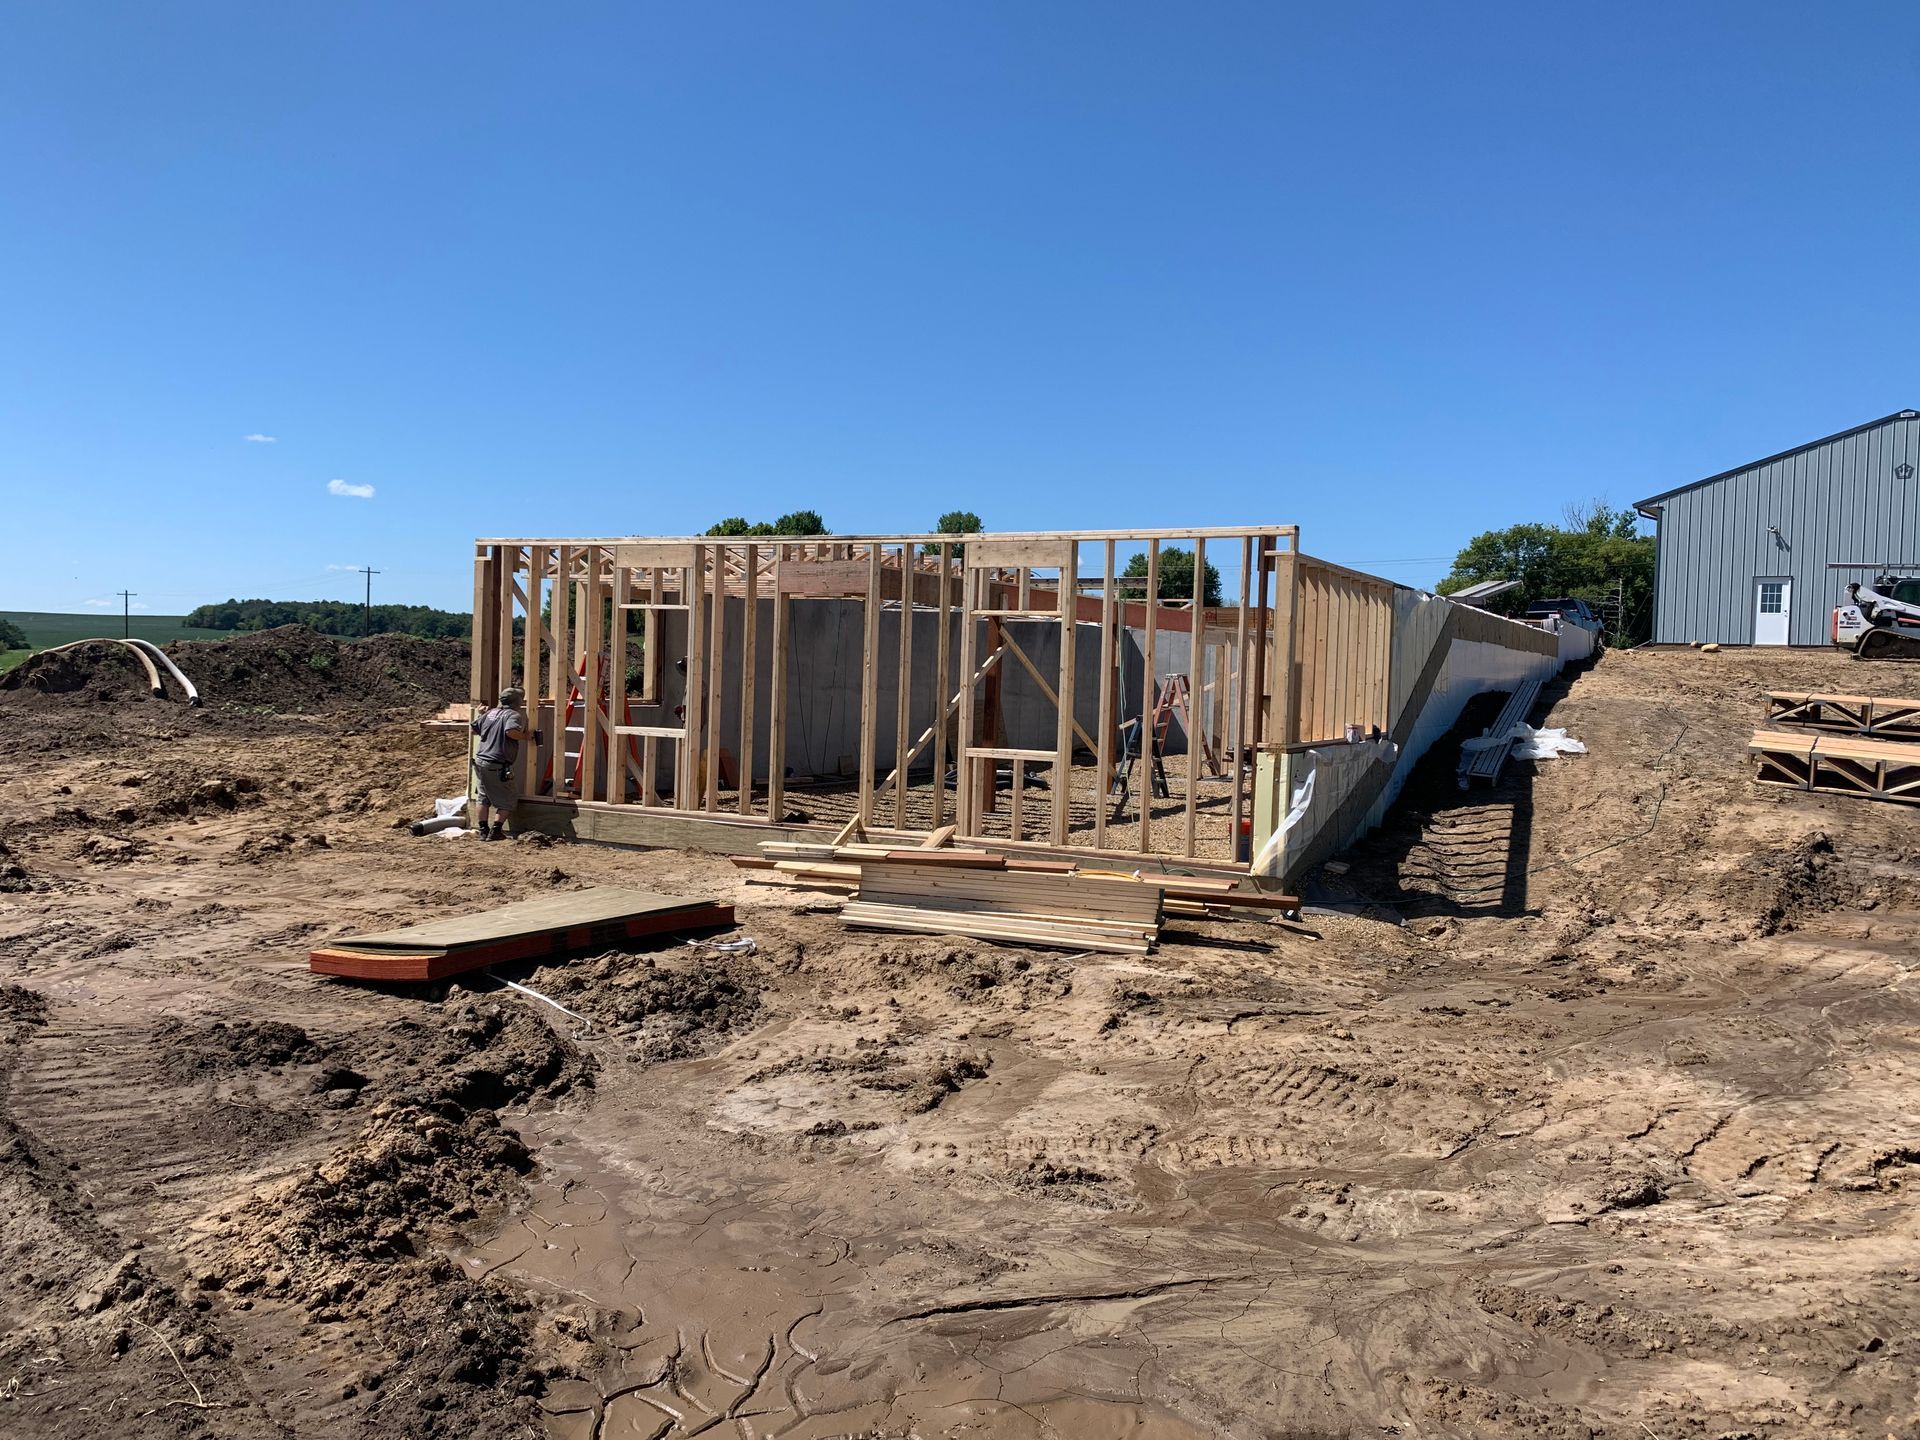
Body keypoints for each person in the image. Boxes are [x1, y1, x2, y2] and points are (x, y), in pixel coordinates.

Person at [470, 686, 534, 841]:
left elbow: (473, 730)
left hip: (480, 761)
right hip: (496, 764)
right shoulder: (513, 715)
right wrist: (526, 736)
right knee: (509, 798)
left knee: (483, 797)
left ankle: (483, 830)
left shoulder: (490, 712)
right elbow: (510, 732)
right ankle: (496, 830)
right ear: (517, 701)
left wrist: (486, 724)